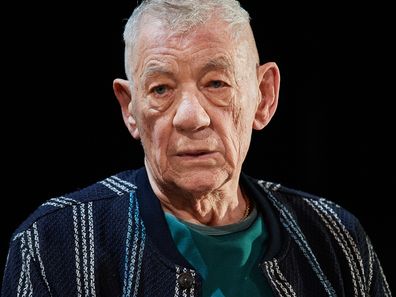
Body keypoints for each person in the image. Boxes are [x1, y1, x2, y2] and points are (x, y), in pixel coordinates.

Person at [2, 0, 392, 296]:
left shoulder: (335, 237)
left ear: (264, 96)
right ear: (130, 108)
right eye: (161, 89)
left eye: (216, 83)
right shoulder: (55, 243)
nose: (191, 117)